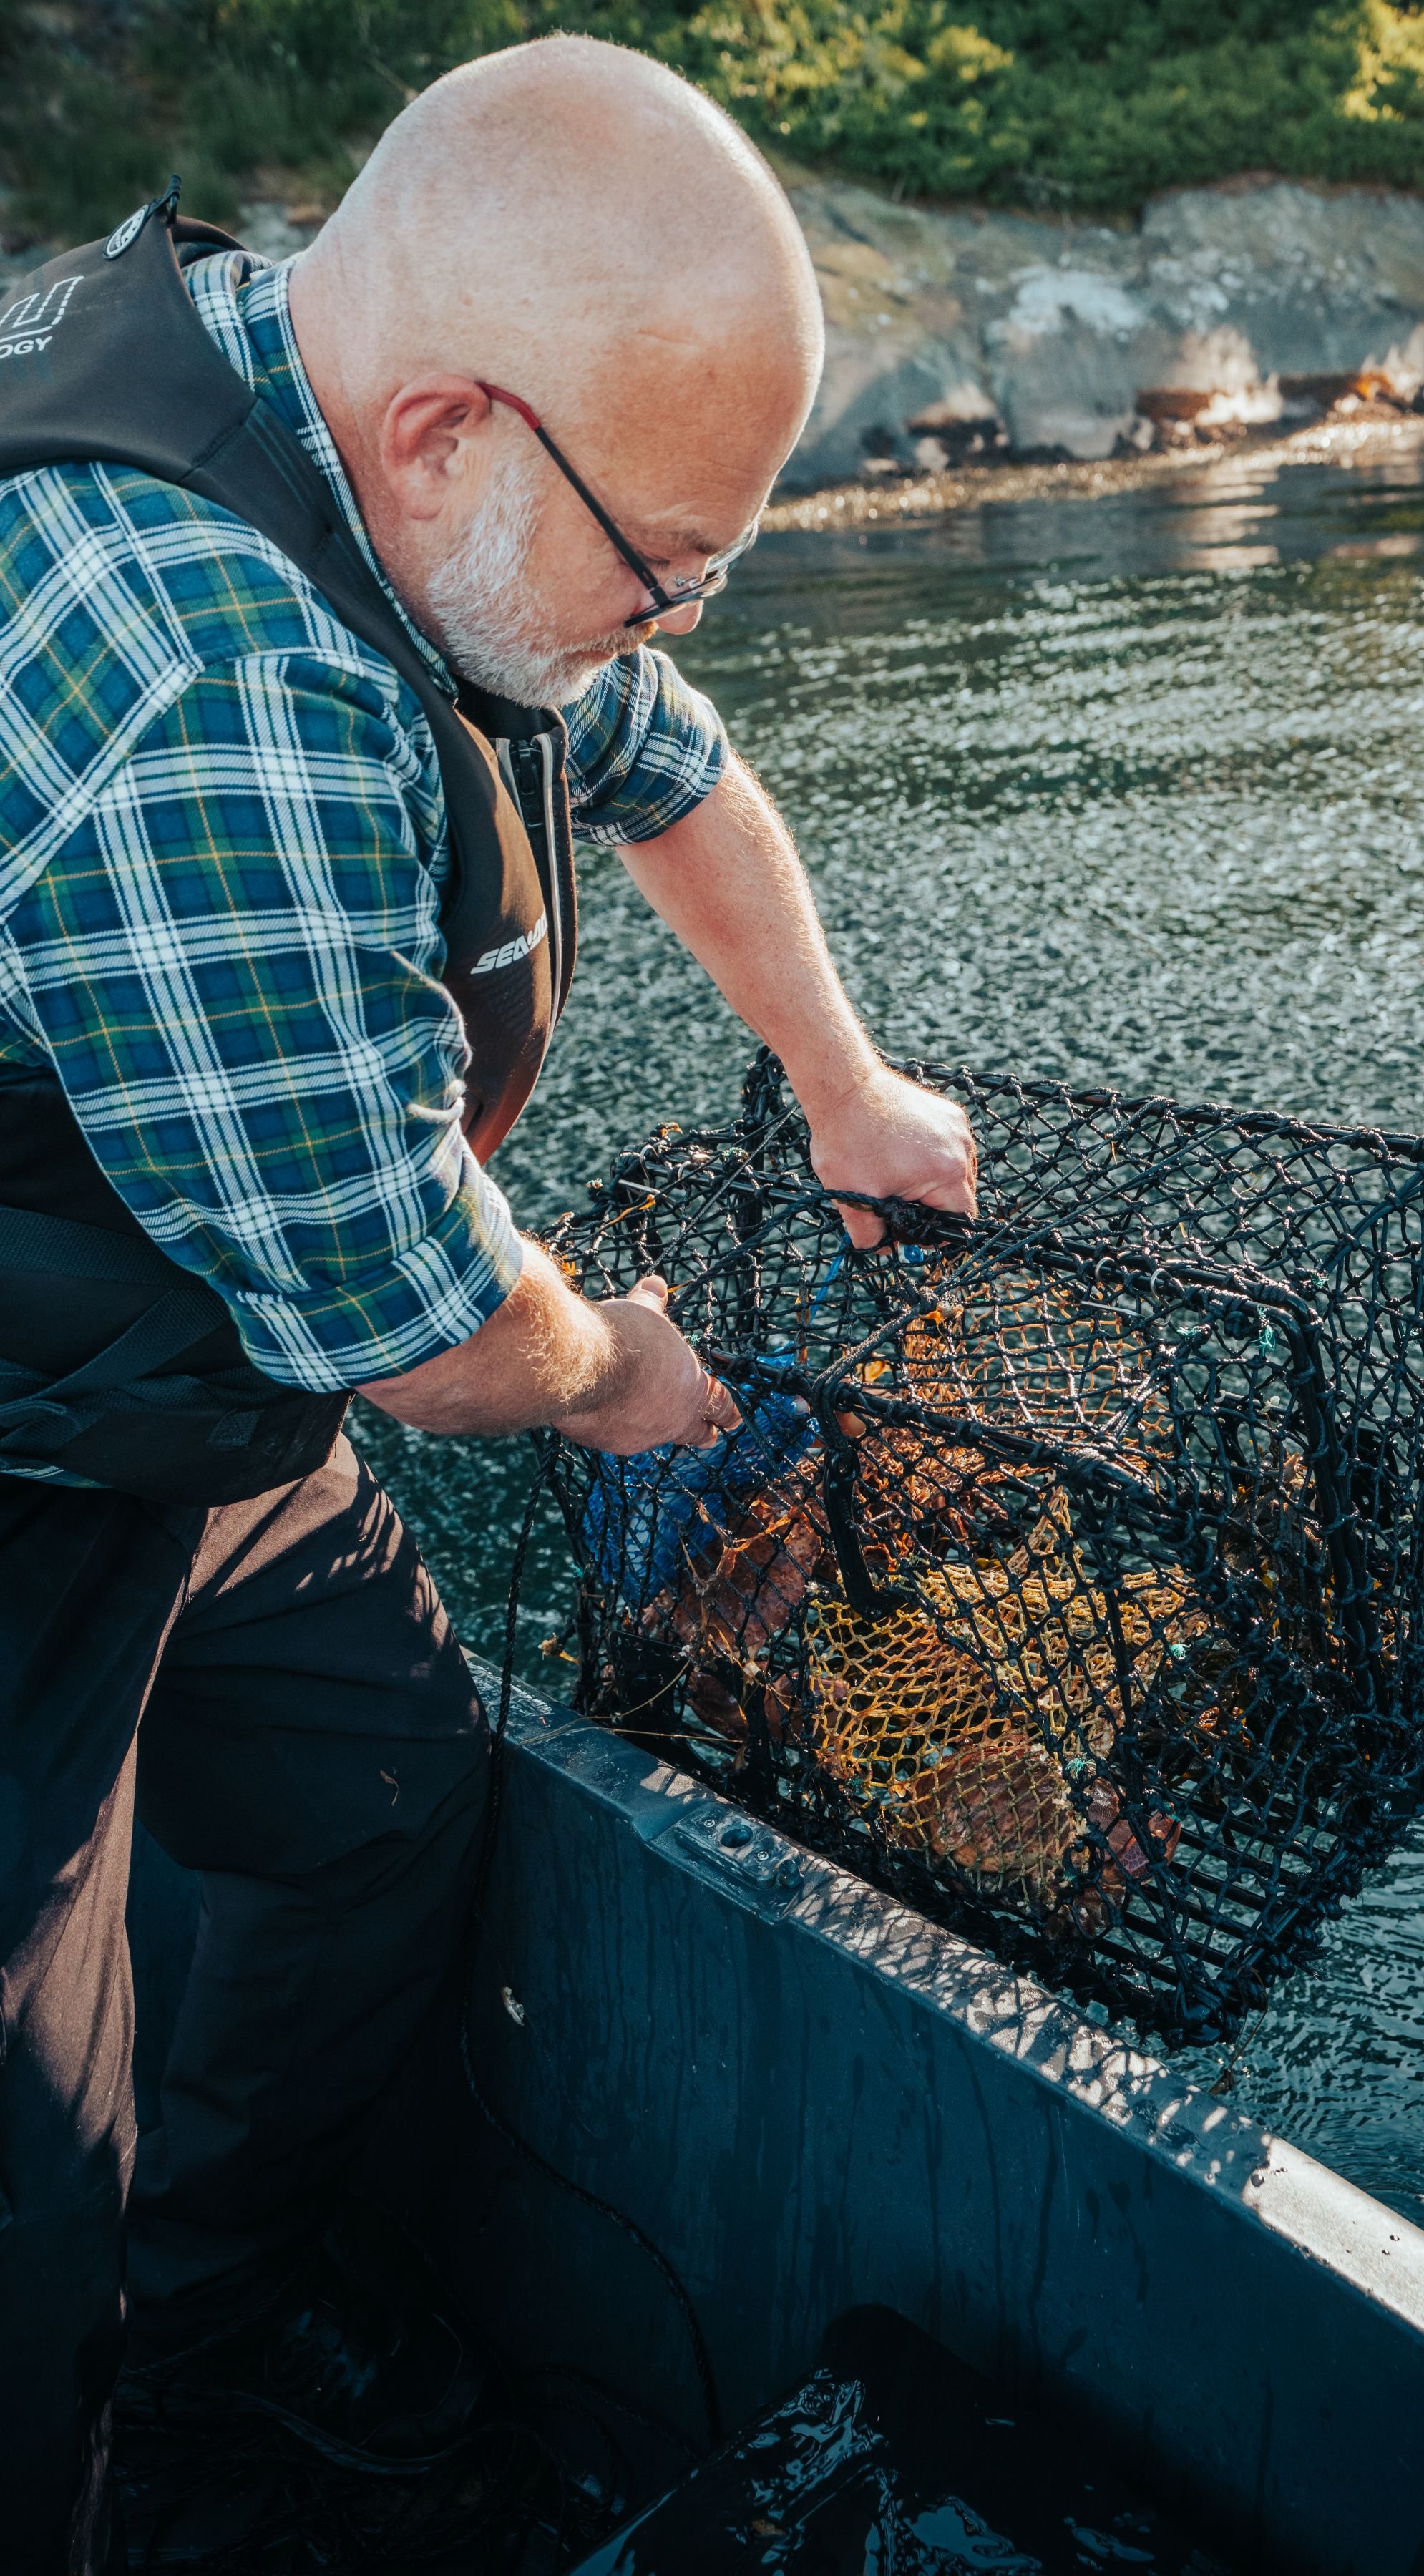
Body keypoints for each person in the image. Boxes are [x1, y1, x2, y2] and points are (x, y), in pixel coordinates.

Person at [0, 35, 977, 2570]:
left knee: (385, 1787)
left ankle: (215, 2321)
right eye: (666, 563)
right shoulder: (218, 688)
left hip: (167, 1378)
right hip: (27, 1450)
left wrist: (848, 1085)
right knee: (20, 2196)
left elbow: (668, 761)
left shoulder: (356, 425)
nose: (675, 617)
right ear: (457, 432)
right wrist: (627, 1371)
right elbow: (429, 1332)